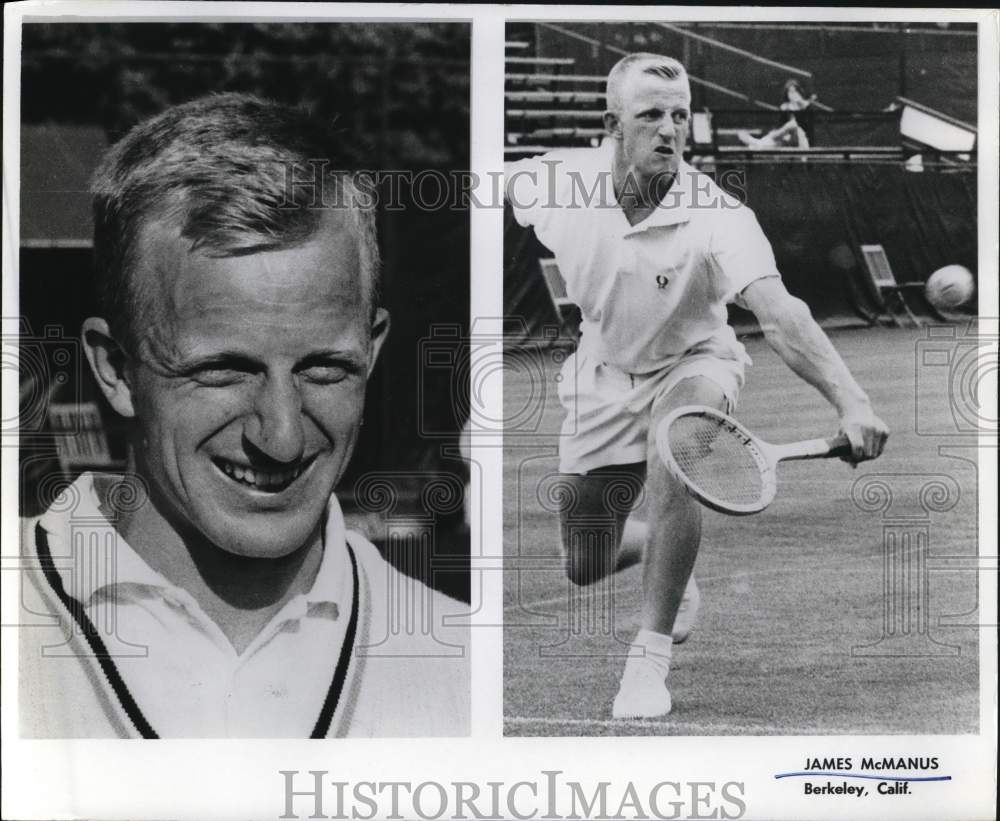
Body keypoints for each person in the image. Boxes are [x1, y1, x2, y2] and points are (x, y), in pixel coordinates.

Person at [19, 93, 470, 738]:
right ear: (116, 369)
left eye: (324, 368)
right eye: (224, 370)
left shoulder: (457, 667)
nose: (281, 438)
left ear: (371, 351)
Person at [505, 54, 888, 719]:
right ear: (612, 124)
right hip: (603, 373)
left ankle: (647, 663)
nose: (670, 129)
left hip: (698, 360)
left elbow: (781, 312)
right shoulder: (551, 181)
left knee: (674, 441)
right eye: (651, 114)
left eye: (680, 115)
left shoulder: (719, 215)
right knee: (583, 559)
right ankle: (667, 558)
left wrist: (851, 399)